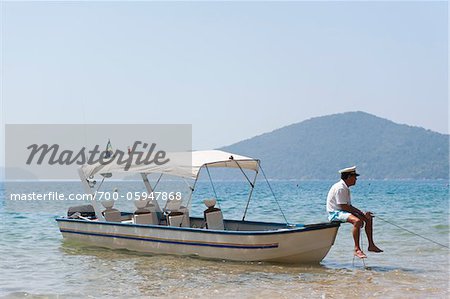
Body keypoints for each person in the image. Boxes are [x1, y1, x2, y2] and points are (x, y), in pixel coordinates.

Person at [326, 166, 383, 258]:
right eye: (354, 177)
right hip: (335, 213)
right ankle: (357, 249)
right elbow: (343, 206)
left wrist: (362, 213)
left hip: (342, 211)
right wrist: (360, 213)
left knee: (368, 219)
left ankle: (371, 245)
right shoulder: (340, 188)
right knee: (357, 221)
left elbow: (348, 206)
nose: (356, 179)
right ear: (349, 177)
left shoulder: (345, 187)